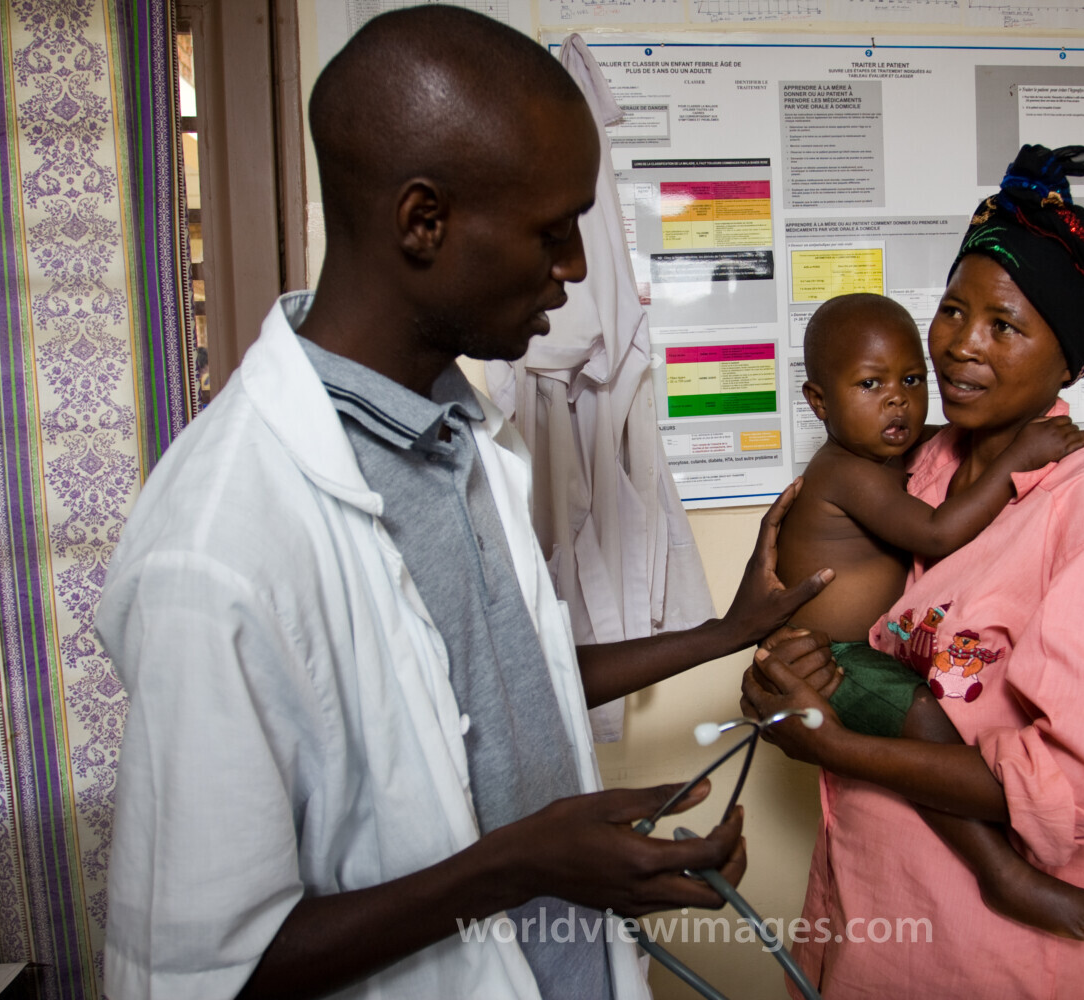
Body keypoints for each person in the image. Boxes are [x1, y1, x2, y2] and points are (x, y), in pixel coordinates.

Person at [95, 8, 831, 1000]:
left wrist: (723, 635)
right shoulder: (219, 543)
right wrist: (519, 867)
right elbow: (202, 973)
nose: (576, 270)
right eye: (551, 232)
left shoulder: (461, 435)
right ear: (423, 222)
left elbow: (501, 684)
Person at [744, 145, 1084, 999]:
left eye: (1004, 326)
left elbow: (1080, 793)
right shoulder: (909, 467)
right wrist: (778, 680)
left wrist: (836, 744)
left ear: (1071, 362)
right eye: (952, 310)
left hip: (989, 960)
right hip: (868, 925)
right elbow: (829, 621)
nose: (959, 347)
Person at [776, 290, 1084, 940]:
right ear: (818, 402)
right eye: (870, 385)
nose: (897, 402)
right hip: (832, 661)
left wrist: (980, 435)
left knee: (926, 732)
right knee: (927, 723)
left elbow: (936, 441)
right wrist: (1016, 458)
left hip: (846, 652)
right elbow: (936, 534)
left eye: (911, 381)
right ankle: (1000, 871)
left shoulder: (882, 457)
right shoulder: (846, 472)